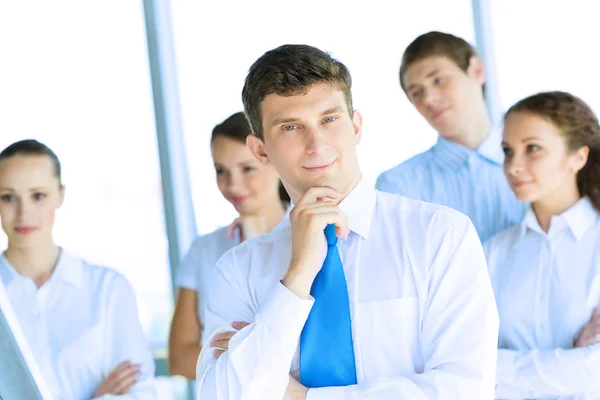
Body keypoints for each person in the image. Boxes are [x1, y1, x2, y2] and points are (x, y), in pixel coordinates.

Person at [195, 44, 499, 399]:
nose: (316, 143)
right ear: (260, 150)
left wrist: (302, 396)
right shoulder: (238, 269)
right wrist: (297, 278)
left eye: (329, 119)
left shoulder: (441, 235)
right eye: (291, 127)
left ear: (355, 126)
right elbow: (223, 396)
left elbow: (464, 391)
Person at [0, 139, 156, 399]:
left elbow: (139, 394)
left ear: (60, 195)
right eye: (8, 197)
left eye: (38, 196)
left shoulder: (107, 289)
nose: (23, 213)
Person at [484, 91, 600, 398]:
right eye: (508, 151)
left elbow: (595, 372)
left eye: (532, 148)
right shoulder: (491, 253)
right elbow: (462, 362)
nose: (513, 166)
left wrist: (498, 369)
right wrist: (573, 364)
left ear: (578, 156)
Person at [168, 111, 290, 380]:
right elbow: (179, 358)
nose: (232, 184)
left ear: (276, 163)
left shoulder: (312, 235)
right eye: (221, 170)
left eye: (247, 169)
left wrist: (232, 353)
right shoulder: (203, 251)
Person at [376, 31, 524, 242]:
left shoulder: (537, 168)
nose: (429, 99)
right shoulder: (397, 188)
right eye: (417, 93)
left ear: (477, 70)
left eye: (439, 80)